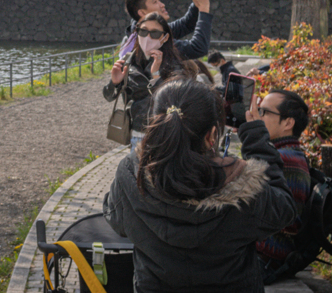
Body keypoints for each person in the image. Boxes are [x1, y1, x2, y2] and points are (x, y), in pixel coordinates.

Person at [103, 80, 297, 293]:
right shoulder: (243, 186)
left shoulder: (132, 173)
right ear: (212, 135)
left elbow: (116, 220)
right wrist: (257, 142)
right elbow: (284, 210)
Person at [103, 12, 209, 151]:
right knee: (137, 171)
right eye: (143, 31)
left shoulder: (175, 65)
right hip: (137, 133)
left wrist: (156, 75)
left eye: (154, 33)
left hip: (165, 135)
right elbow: (109, 96)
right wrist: (115, 83)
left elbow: (175, 101)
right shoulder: (128, 62)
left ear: (165, 38)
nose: (147, 38)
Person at [255, 89, 312, 281]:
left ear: (288, 123)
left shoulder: (283, 159)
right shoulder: (287, 153)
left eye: (264, 112)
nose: (257, 116)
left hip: (264, 259)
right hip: (266, 255)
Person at [118, 0, 212, 60]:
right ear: (142, 13)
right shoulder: (152, 38)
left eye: (159, 0)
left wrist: (196, 3)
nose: (162, 5)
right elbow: (198, 48)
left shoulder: (140, 32)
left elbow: (186, 25)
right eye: (155, 2)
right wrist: (204, 8)